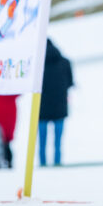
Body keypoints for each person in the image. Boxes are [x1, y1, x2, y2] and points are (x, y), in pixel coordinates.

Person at [38, 38, 74, 167]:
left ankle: (42, 165)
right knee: (57, 142)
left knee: (42, 142)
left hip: (41, 108)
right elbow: (70, 83)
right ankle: (57, 164)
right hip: (60, 107)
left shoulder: (38, 65)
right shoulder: (65, 62)